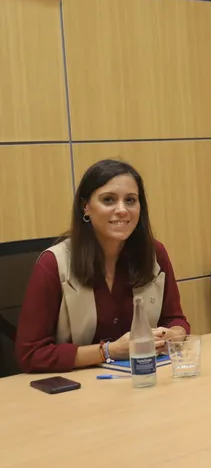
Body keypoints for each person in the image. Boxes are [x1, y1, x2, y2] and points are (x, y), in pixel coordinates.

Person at [16, 159, 190, 373]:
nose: (122, 210)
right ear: (85, 207)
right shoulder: (53, 263)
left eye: (130, 200)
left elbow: (175, 319)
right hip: (80, 387)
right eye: (108, 200)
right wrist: (109, 351)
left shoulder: (154, 253)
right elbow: (31, 354)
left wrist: (173, 335)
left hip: (146, 377)